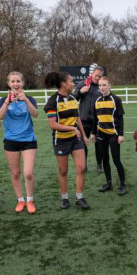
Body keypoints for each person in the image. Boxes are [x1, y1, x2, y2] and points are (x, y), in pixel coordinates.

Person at [44, 71, 90, 210]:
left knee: (82, 168)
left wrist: (83, 135)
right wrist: (72, 129)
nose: (73, 84)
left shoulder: (73, 99)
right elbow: (53, 125)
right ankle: (64, 198)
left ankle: (80, 197)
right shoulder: (53, 101)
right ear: (63, 84)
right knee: (63, 171)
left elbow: (77, 118)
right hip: (61, 140)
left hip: (76, 140)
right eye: (71, 81)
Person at [0, 72, 39, 214]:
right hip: (11, 141)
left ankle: (30, 200)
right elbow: (0, 117)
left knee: (28, 173)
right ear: (8, 83)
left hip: (28, 140)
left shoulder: (29, 99)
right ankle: (20, 200)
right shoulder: (3, 99)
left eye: (18, 81)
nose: (16, 84)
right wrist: (7, 102)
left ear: (22, 83)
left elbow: (35, 114)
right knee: (15, 173)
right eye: (13, 81)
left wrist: (26, 100)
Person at [91, 76, 127, 195]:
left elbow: (120, 118)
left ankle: (122, 184)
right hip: (101, 134)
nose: (102, 87)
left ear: (110, 86)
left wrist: (121, 135)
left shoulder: (116, 99)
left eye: (104, 85)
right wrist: (93, 133)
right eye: (100, 85)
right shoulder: (97, 100)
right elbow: (95, 119)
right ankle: (109, 183)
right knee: (105, 159)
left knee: (116, 160)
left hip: (113, 134)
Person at [72, 65, 103, 173]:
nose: (97, 78)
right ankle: (84, 165)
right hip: (84, 120)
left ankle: (100, 164)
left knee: (99, 144)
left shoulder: (101, 85)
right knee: (82, 144)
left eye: (100, 76)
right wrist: (81, 91)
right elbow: (73, 97)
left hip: (98, 120)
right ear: (92, 74)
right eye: (96, 75)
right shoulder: (84, 83)